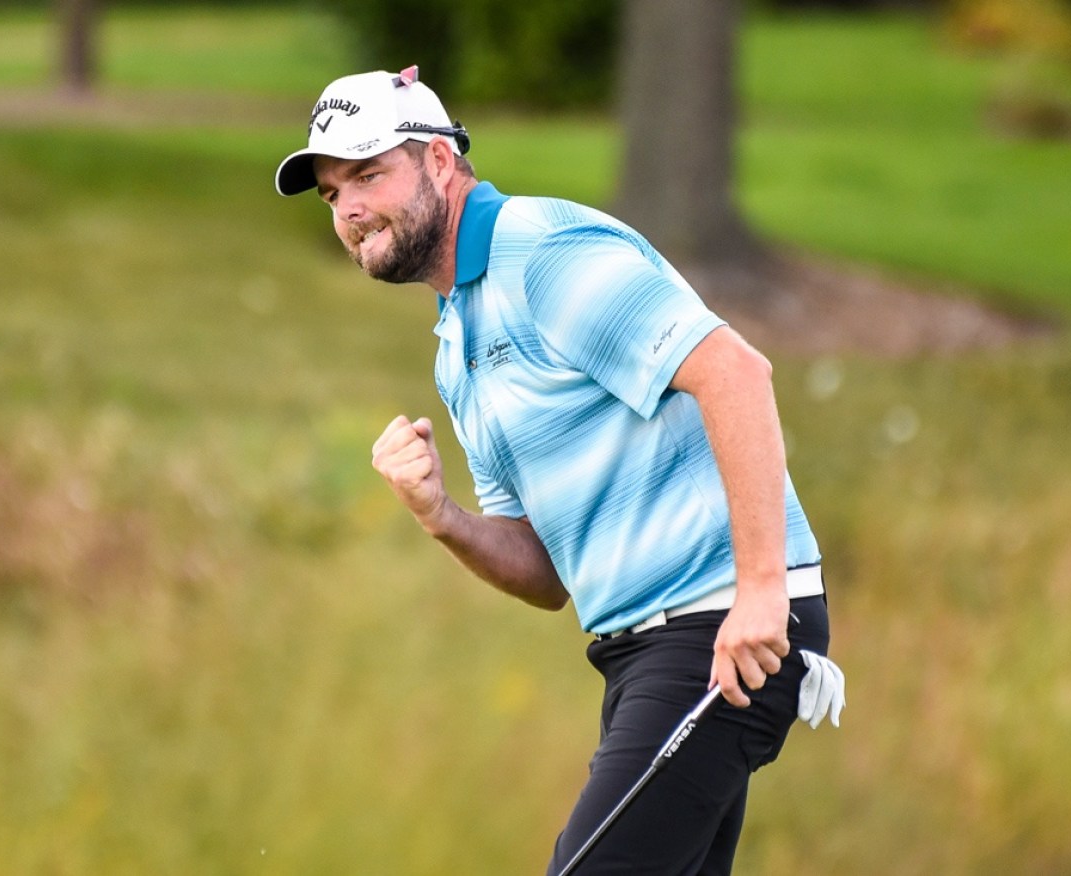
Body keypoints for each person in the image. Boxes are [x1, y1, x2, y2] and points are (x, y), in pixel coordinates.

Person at [275, 66, 844, 876]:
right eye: (332, 193)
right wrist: (444, 518)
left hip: (716, 628)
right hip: (637, 652)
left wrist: (762, 591)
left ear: (439, 162)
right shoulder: (457, 346)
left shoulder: (542, 255)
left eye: (368, 174)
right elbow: (545, 575)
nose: (350, 208)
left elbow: (734, 374)